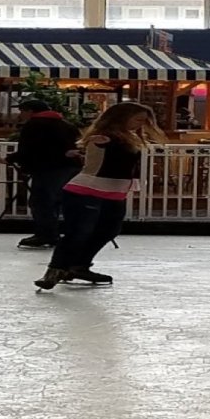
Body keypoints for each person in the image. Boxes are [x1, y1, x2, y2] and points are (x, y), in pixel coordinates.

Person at [34, 103, 165, 290]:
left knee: (108, 231)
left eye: (144, 120)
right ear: (121, 118)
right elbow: (93, 165)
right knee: (78, 232)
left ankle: (79, 266)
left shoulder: (131, 137)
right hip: (87, 191)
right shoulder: (104, 138)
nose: (141, 123)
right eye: (138, 119)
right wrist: (92, 147)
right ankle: (55, 271)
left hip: (114, 193)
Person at [5, 98, 81, 249]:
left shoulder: (33, 126)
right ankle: (60, 233)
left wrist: (9, 159)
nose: (21, 115)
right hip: (70, 167)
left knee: (41, 201)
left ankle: (45, 234)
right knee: (57, 201)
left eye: (22, 111)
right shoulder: (65, 124)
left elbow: (29, 149)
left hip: (47, 168)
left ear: (30, 111)